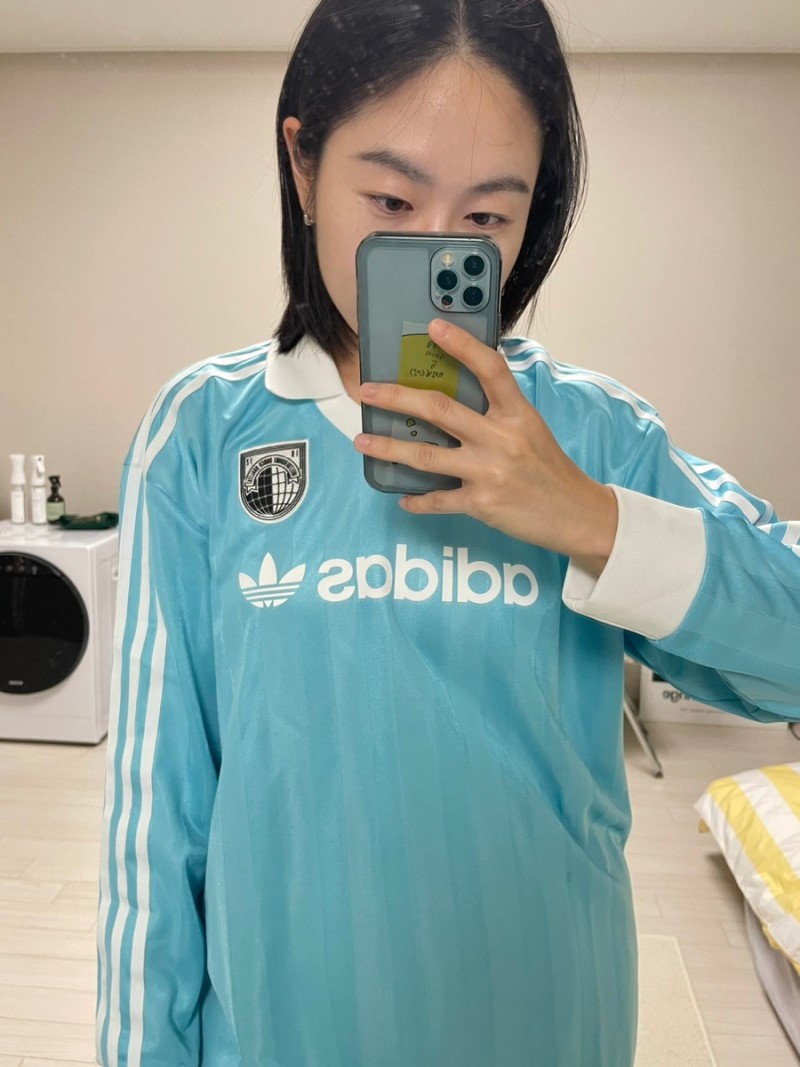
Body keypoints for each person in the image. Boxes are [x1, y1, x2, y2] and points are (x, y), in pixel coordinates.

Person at [95, 1, 800, 1064]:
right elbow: (156, 823)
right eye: (390, 198)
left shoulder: (591, 436)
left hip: (546, 1027)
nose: (435, 248)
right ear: (302, 167)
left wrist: (588, 516)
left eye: (485, 217)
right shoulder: (201, 433)